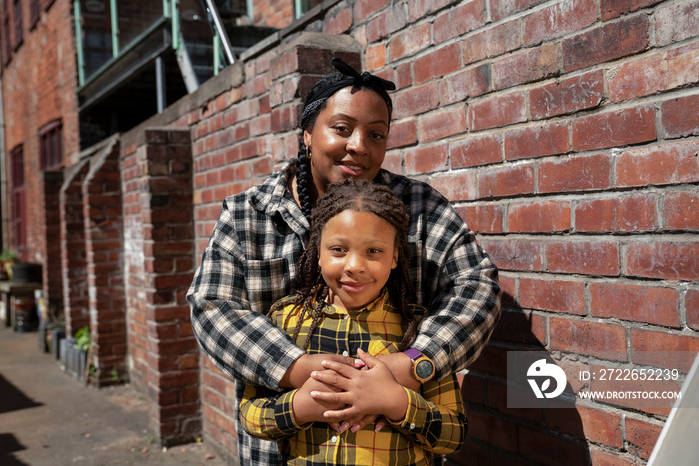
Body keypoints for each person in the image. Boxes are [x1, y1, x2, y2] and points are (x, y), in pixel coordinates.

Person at [187, 58, 501, 464]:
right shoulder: (251, 214)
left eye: (376, 134)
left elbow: (477, 286)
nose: (359, 146)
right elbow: (212, 306)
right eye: (341, 128)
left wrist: (410, 367)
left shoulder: (419, 208)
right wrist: (300, 370)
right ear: (307, 134)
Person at [239, 179, 466, 464]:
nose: (355, 266)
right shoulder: (285, 320)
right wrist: (300, 406)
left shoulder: (419, 331)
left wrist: (396, 402)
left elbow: (454, 435)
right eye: (338, 249)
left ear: (395, 256)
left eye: (373, 251)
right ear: (317, 252)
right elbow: (250, 415)